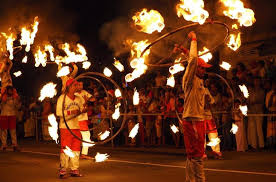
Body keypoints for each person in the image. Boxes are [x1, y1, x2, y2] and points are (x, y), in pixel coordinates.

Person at [177, 31, 211, 182]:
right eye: (202, 68)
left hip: (197, 119)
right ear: (196, 68)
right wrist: (194, 40)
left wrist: (183, 50)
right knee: (197, 155)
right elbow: (192, 62)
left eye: (205, 68)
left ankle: (190, 180)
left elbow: (192, 60)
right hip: (192, 120)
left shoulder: (200, 81)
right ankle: (200, 180)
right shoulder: (189, 79)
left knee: (193, 155)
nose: (204, 70)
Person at [56, 79, 85, 178]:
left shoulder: (79, 98)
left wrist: (82, 110)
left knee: (76, 149)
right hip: (65, 127)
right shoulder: (62, 98)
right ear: (69, 87)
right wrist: (71, 112)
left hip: (76, 127)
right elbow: (58, 113)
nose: (77, 87)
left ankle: (74, 169)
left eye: (77, 85)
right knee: (66, 149)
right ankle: (63, 169)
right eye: (75, 85)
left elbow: (81, 109)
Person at [75, 81, 94, 159]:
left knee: (83, 136)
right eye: (79, 85)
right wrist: (85, 101)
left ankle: (80, 153)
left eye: (82, 84)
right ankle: (82, 154)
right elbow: (80, 107)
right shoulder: (74, 95)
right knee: (85, 136)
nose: (81, 86)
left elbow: (93, 99)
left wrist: (88, 99)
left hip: (83, 118)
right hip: (79, 118)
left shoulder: (84, 92)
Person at [203, 87, 222, 159]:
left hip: (209, 116)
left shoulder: (206, 90)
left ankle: (216, 152)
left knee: (213, 134)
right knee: (201, 135)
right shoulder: (194, 90)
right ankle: (202, 153)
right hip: (199, 116)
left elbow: (212, 102)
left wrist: (207, 101)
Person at [0, 86, 21, 151]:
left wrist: (18, 100)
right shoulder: (3, 97)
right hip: (4, 115)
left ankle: (15, 145)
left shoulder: (14, 98)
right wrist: (3, 98)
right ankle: (4, 145)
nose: (10, 91)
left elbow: (17, 107)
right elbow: (1, 107)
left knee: (13, 131)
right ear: (7, 91)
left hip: (12, 115)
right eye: (9, 90)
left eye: (11, 90)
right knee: (4, 131)